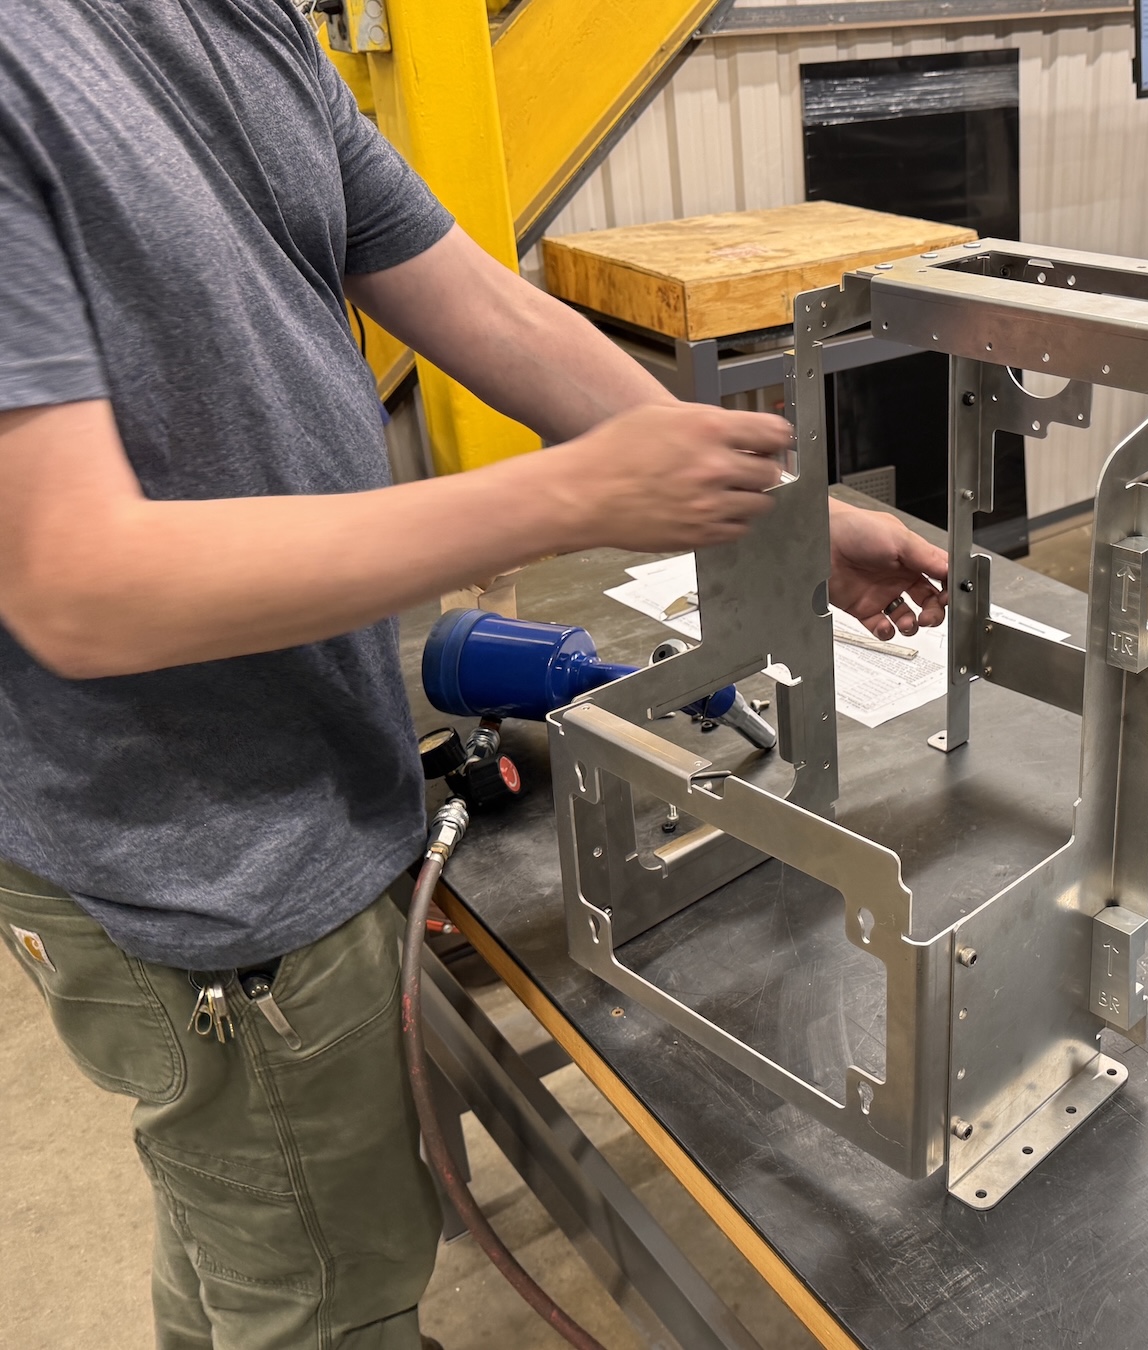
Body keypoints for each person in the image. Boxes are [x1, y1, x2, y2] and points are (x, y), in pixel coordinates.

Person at [0, 4, 947, 1346]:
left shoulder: (242, 19)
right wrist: (563, 497)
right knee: (332, 1279)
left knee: (257, 1223)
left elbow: (478, 297)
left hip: (309, 768)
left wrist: (794, 513)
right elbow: (77, 586)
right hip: (192, 849)